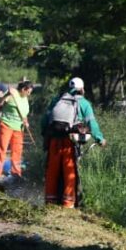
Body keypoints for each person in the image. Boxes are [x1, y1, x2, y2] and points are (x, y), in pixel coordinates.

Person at [41, 77, 106, 208]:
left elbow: (44, 120)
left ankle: (50, 202)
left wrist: (45, 135)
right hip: (70, 141)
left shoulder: (57, 99)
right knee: (69, 171)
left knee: (51, 171)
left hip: (54, 141)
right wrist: (100, 138)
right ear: (81, 89)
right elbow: (91, 123)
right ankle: (68, 203)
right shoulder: (84, 103)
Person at [0, 80, 34, 181]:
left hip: (19, 128)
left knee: (17, 151)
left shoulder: (25, 99)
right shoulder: (13, 94)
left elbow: (24, 113)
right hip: (6, 125)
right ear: (23, 89)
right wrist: (6, 95)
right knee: (2, 149)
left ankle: (16, 172)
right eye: (28, 92)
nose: (29, 94)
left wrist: (26, 121)